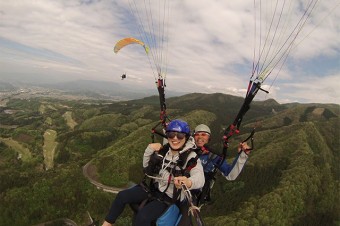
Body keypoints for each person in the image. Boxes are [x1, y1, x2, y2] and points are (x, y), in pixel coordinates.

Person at [102, 119, 205, 226]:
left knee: (143, 217)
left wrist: (188, 182)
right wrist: (149, 150)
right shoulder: (165, 150)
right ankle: (107, 224)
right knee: (122, 196)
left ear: (186, 137)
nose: (175, 138)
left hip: (168, 197)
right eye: (171, 134)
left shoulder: (191, 157)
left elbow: (200, 178)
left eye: (180, 135)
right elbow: (147, 168)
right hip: (154, 188)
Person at [193, 124, 251, 204]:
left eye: (203, 134)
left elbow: (230, 175)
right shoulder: (186, 150)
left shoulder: (213, 157)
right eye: (197, 134)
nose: (200, 137)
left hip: (194, 196)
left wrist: (242, 155)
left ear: (209, 138)